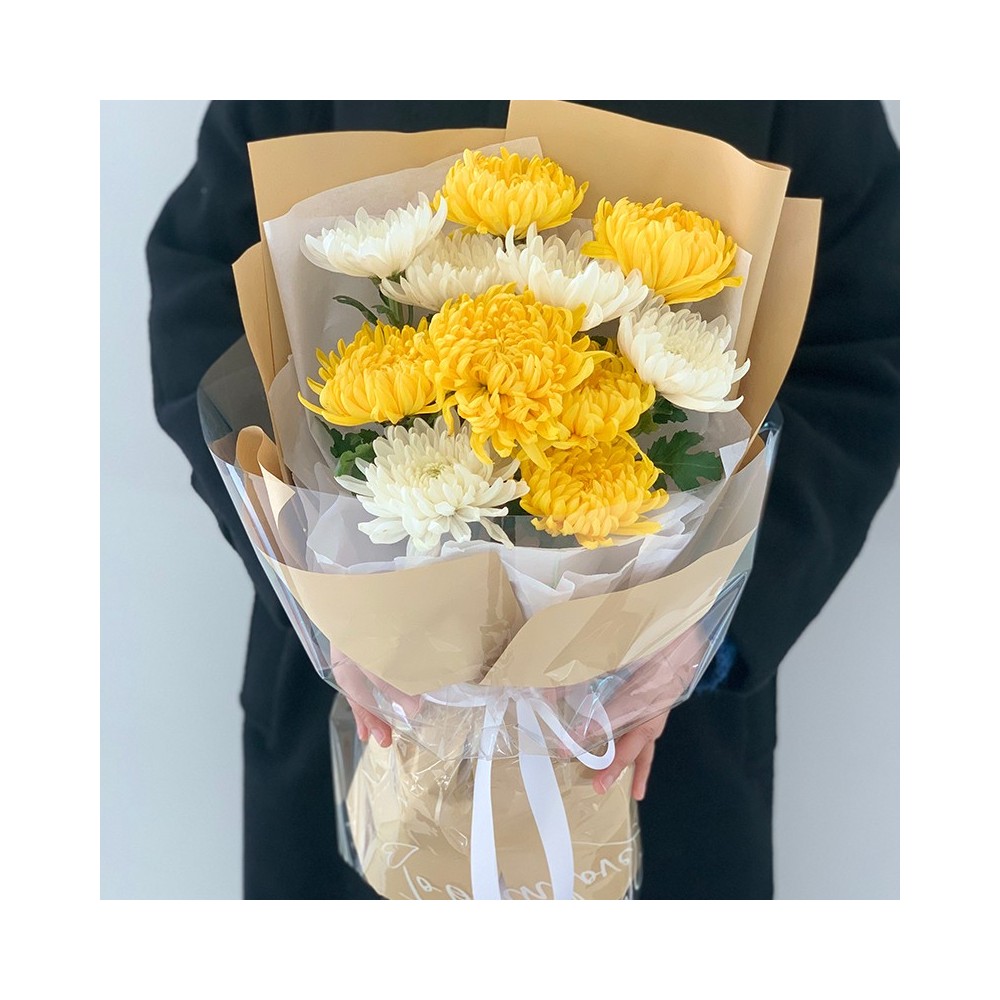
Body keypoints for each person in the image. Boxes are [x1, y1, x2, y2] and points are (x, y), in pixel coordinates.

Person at [146, 101, 899, 900]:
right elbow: (205, 291)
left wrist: (702, 634)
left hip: (652, 736)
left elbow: (867, 350)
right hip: (362, 702)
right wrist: (320, 588)